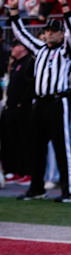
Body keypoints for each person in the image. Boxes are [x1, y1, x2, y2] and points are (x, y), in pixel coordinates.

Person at [8, 0, 71, 203]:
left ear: (60, 34)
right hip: (39, 103)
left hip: (59, 101)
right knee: (36, 146)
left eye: (53, 32)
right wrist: (13, 10)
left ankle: (69, 191)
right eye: (47, 31)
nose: (49, 34)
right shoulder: (39, 48)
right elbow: (21, 34)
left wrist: (65, 8)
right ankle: (37, 188)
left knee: (62, 146)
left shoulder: (66, 51)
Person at [0, 39, 35, 186]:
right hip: (10, 107)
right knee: (10, 141)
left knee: (23, 141)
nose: (12, 49)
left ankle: (26, 172)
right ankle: (14, 171)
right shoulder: (14, 64)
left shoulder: (29, 62)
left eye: (16, 46)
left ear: (24, 48)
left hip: (22, 110)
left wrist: (22, 102)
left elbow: (31, 85)